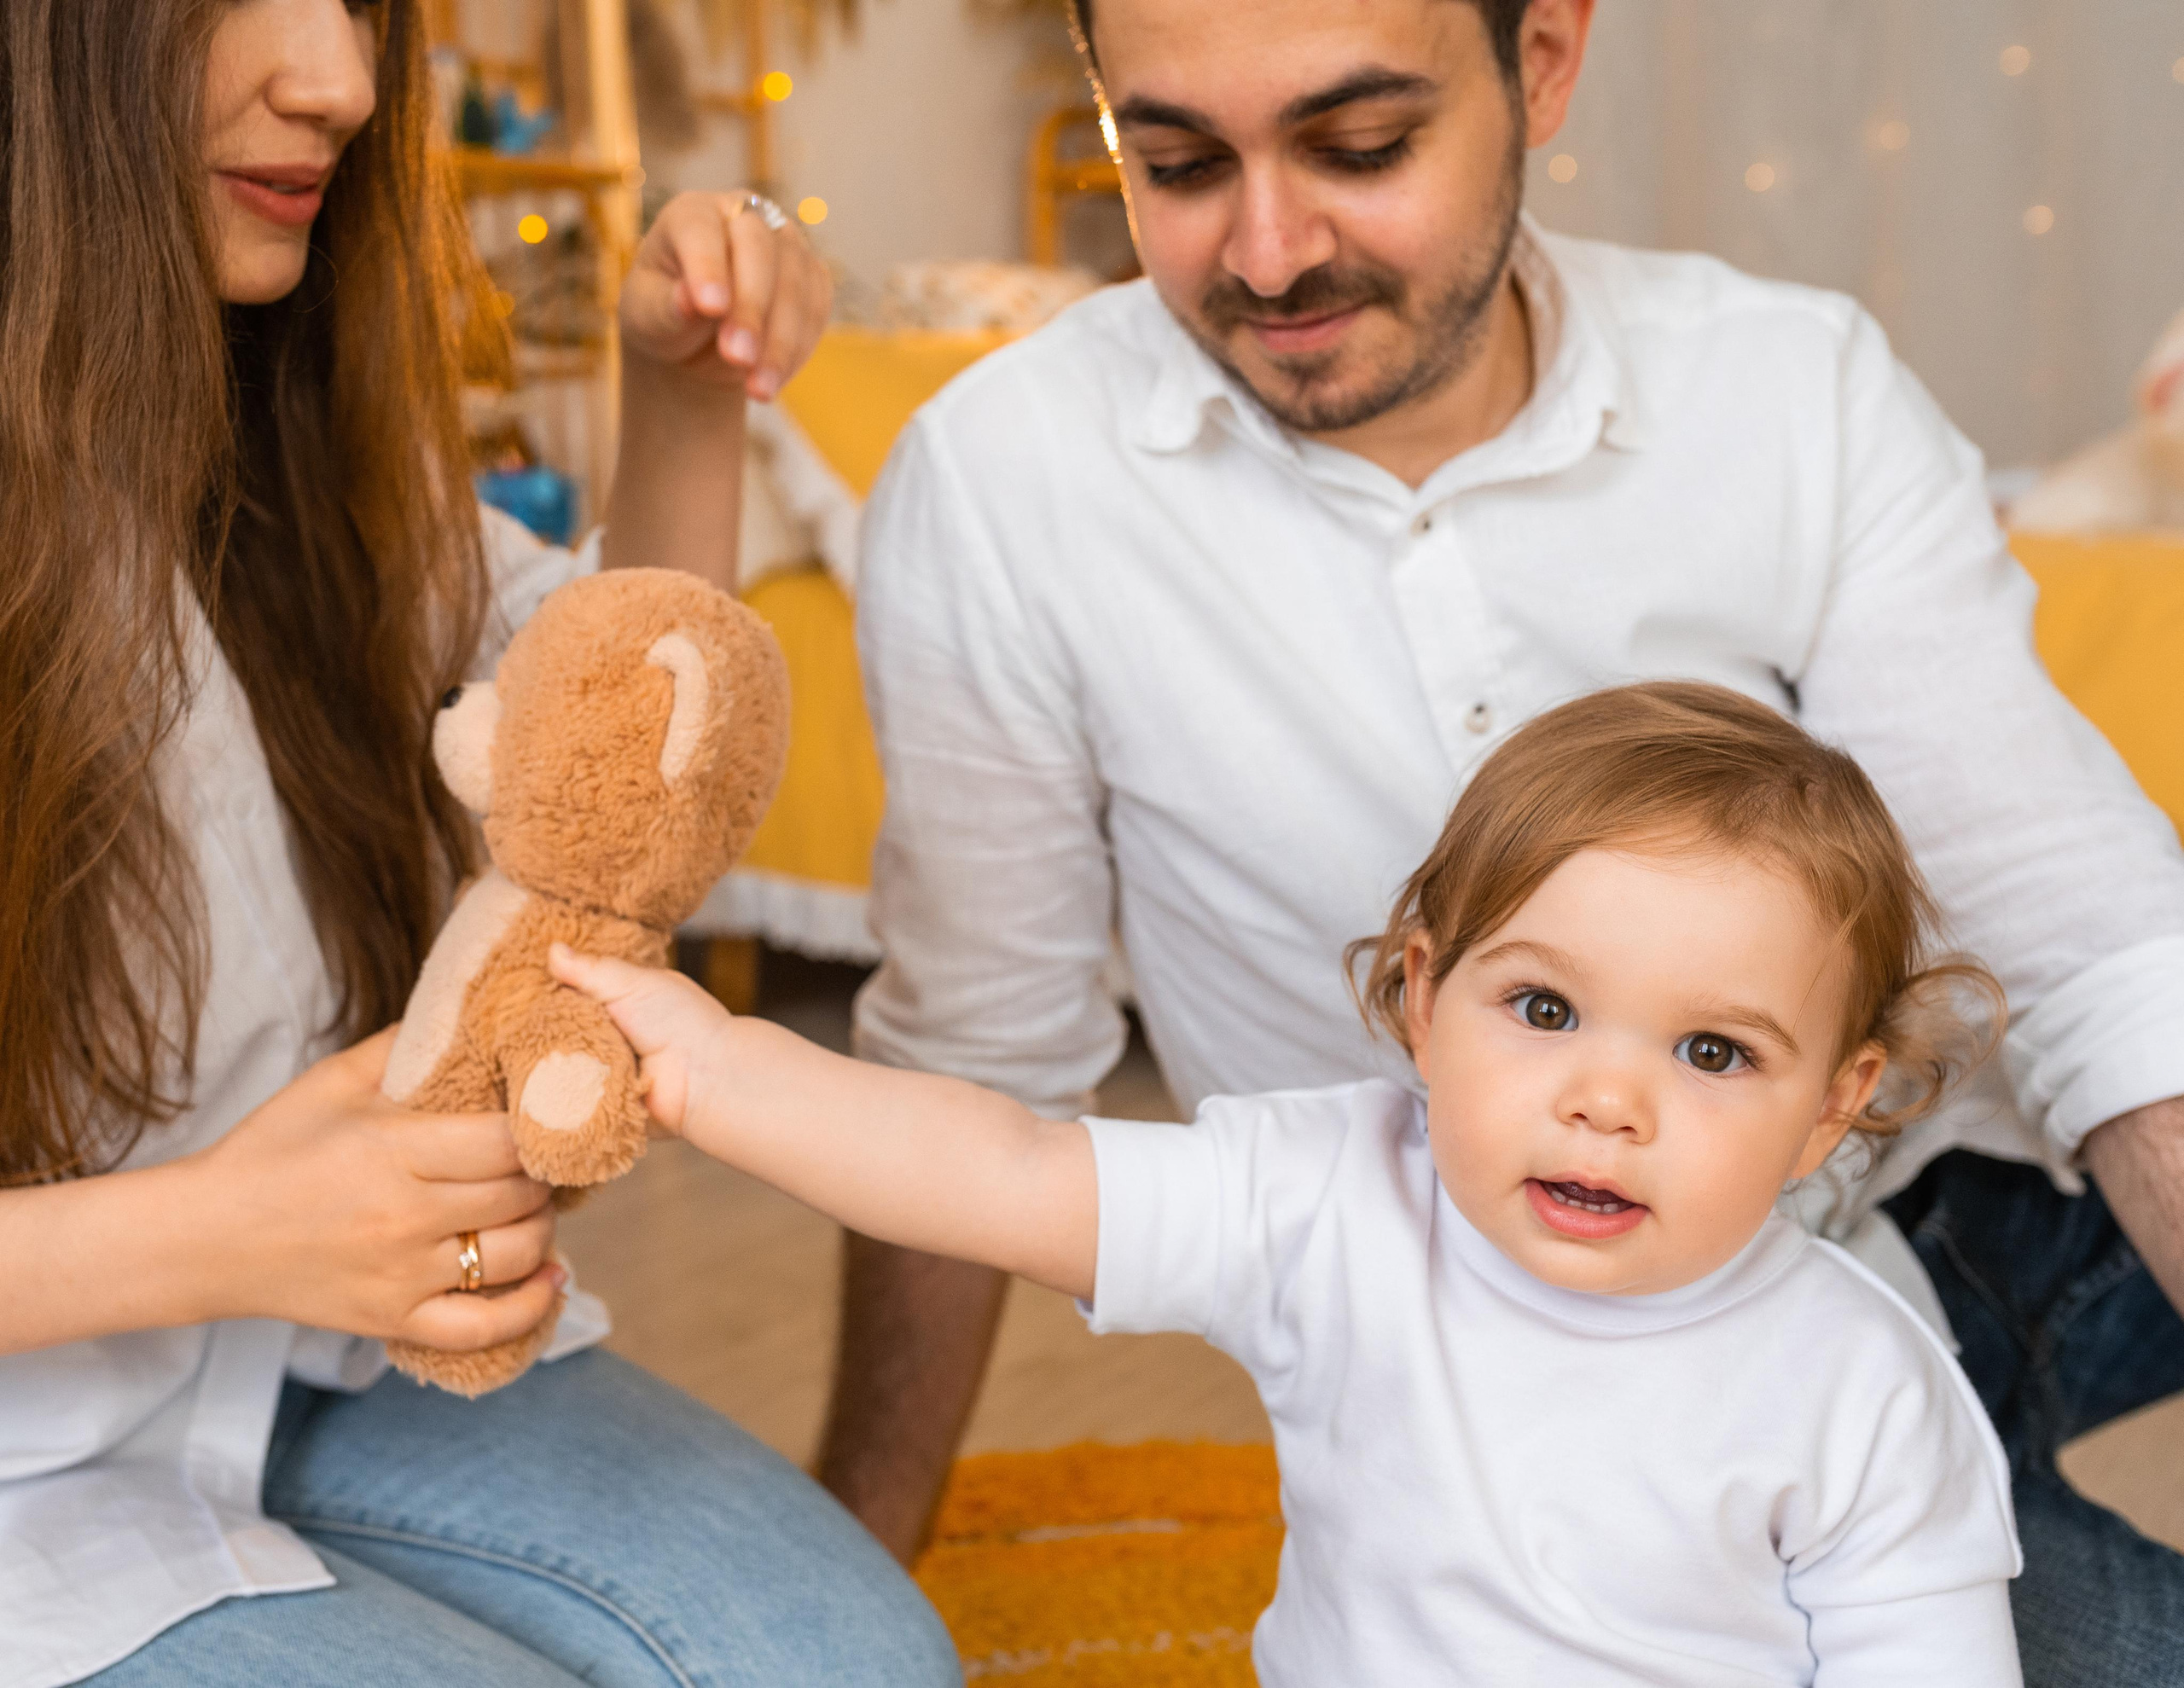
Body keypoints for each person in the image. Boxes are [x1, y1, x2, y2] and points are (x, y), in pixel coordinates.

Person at [825, 0, 2184, 1679]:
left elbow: (2088, 932)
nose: (1263, 250)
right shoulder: (999, 478)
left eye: (1359, 146)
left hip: (1991, 1196)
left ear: (1539, 62)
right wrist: (853, 1580)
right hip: (1580, 1360)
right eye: (1172, 164)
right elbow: (976, 1077)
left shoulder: (1787, 384)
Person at [0, 3, 956, 1685]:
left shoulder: (281, 421)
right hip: (46, 1457)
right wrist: (225, 1232)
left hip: (308, 1357)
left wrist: (680, 399)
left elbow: (608, 735)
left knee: (857, 1666)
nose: (344, 86)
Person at [555, 682, 2028, 1685]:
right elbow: (1001, 1173)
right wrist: (718, 1073)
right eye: (1543, 1008)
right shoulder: (1333, 1201)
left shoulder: (1866, 1388)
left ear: (1835, 1108)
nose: (1607, 1098)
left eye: (1714, 1049)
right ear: (1421, 995)